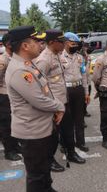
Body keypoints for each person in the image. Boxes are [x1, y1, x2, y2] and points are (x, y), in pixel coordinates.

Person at [5, 26, 65, 192]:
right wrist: (59, 106)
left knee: (44, 167)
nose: (41, 44)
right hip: (32, 132)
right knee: (36, 175)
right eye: (37, 41)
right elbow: (38, 100)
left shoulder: (28, 64)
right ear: (25, 46)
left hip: (41, 127)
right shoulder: (19, 70)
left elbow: (44, 90)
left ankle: (48, 188)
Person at [35, 29, 86, 173]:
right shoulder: (44, 59)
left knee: (68, 130)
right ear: (51, 42)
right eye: (61, 41)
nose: (64, 44)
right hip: (53, 106)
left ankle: (71, 153)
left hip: (64, 102)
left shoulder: (56, 55)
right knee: (52, 136)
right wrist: (51, 105)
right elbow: (39, 86)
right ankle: (49, 160)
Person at [61, 32, 90, 152]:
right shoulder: (59, 57)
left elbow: (84, 75)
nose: (76, 46)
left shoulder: (79, 57)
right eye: (73, 43)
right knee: (66, 119)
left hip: (78, 89)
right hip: (65, 90)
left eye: (77, 44)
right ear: (66, 43)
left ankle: (80, 142)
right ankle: (65, 144)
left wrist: (86, 92)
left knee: (79, 118)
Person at [0, 33, 21, 161]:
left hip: (14, 96)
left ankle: (15, 145)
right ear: (8, 44)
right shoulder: (3, 60)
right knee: (6, 125)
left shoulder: (15, 57)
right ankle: (9, 151)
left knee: (14, 123)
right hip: (4, 96)